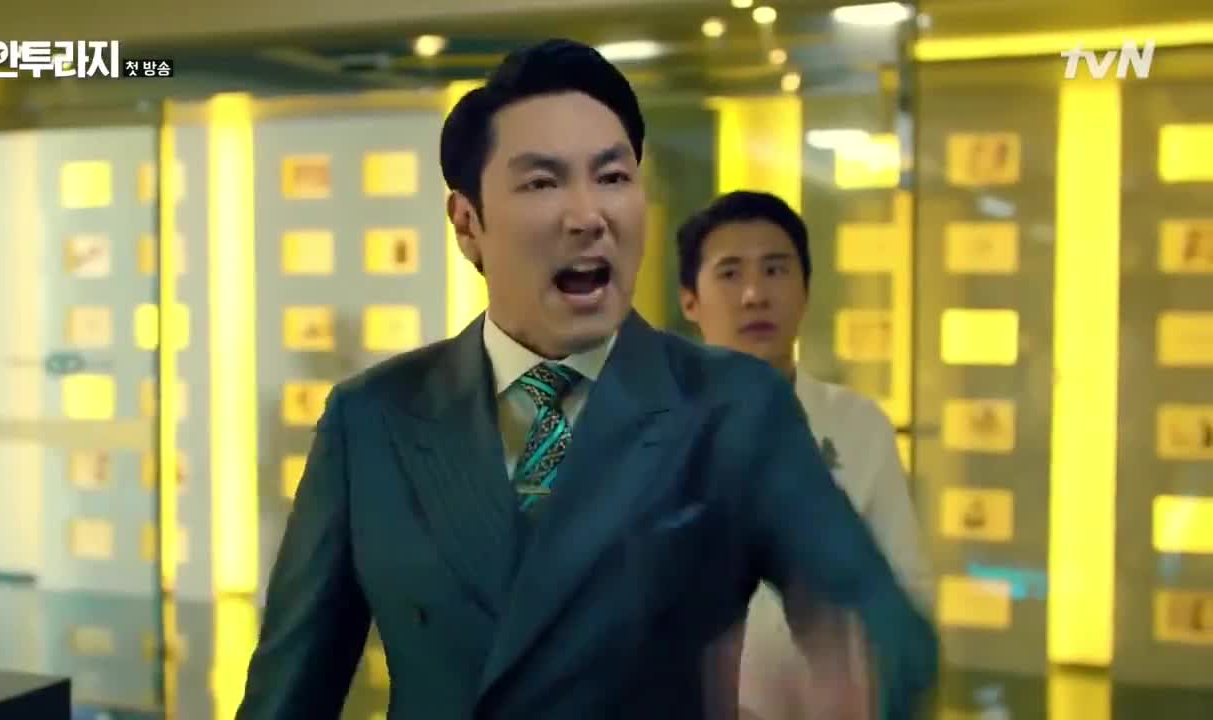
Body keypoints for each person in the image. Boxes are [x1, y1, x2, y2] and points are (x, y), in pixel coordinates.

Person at [235, 39, 937, 720]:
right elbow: (290, 690)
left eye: (612, 177)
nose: (588, 216)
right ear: (468, 223)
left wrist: (858, 677)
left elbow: (879, 624)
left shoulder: (732, 408)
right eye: (543, 182)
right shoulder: (373, 419)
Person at [676, 190, 933, 719]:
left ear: (806, 290)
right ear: (690, 301)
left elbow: (905, 585)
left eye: (775, 270)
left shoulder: (859, 425)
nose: (755, 294)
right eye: (730, 273)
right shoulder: (652, 431)